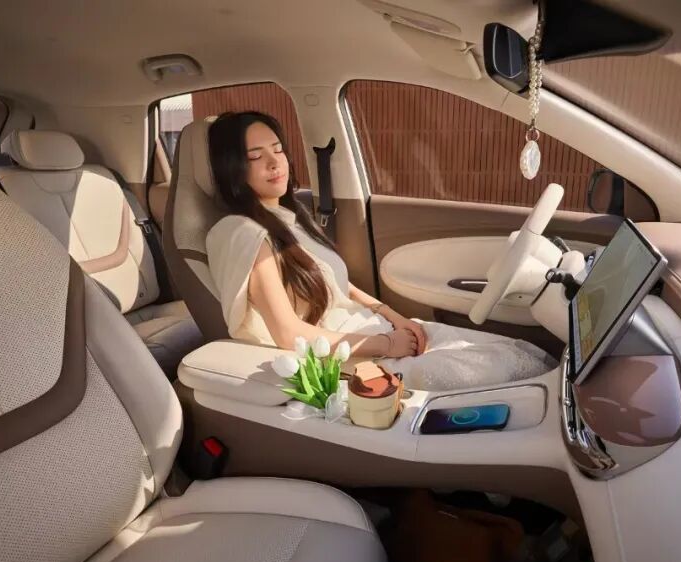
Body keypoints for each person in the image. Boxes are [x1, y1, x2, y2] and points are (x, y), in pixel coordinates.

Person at [204, 111, 556, 391]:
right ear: (232, 169)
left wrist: (396, 318)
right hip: (354, 361)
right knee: (514, 371)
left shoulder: (290, 216)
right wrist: (387, 344)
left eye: (278, 149)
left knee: (522, 354)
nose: (274, 162)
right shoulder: (243, 233)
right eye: (255, 156)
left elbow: (339, 285)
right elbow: (288, 334)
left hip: (376, 333)